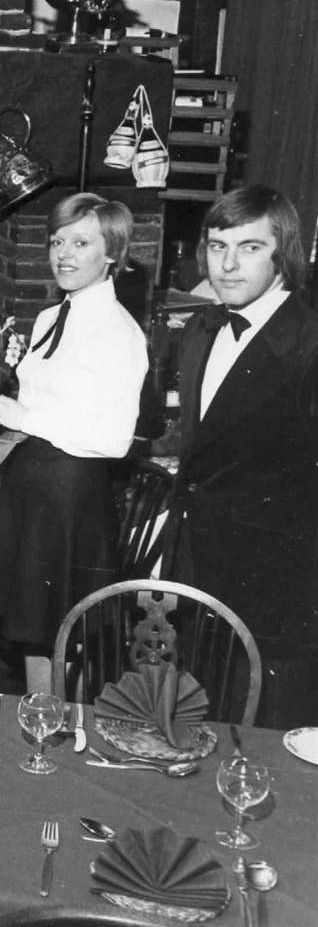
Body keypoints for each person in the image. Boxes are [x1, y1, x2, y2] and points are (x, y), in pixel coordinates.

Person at [0, 193, 150, 693]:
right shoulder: (50, 318)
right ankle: (39, 718)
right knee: (32, 628)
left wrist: (28, 416)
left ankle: (60, 727)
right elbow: (52, 406)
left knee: (58, 630)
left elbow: (114, 440)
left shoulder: (118, 333)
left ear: (111, 252)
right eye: (56, 241)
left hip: (71, 494)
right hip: (33, 482)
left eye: (81, 242)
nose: (64, 254)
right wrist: (7, 414)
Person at [174, 186, 318, 729]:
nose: (228, 264)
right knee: (194, 728)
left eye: (250, 248)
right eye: (217, 246)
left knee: (262, 746)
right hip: (197, 568)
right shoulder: (199, 329)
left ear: (284, 254)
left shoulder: (309, 345)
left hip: (276, 588)